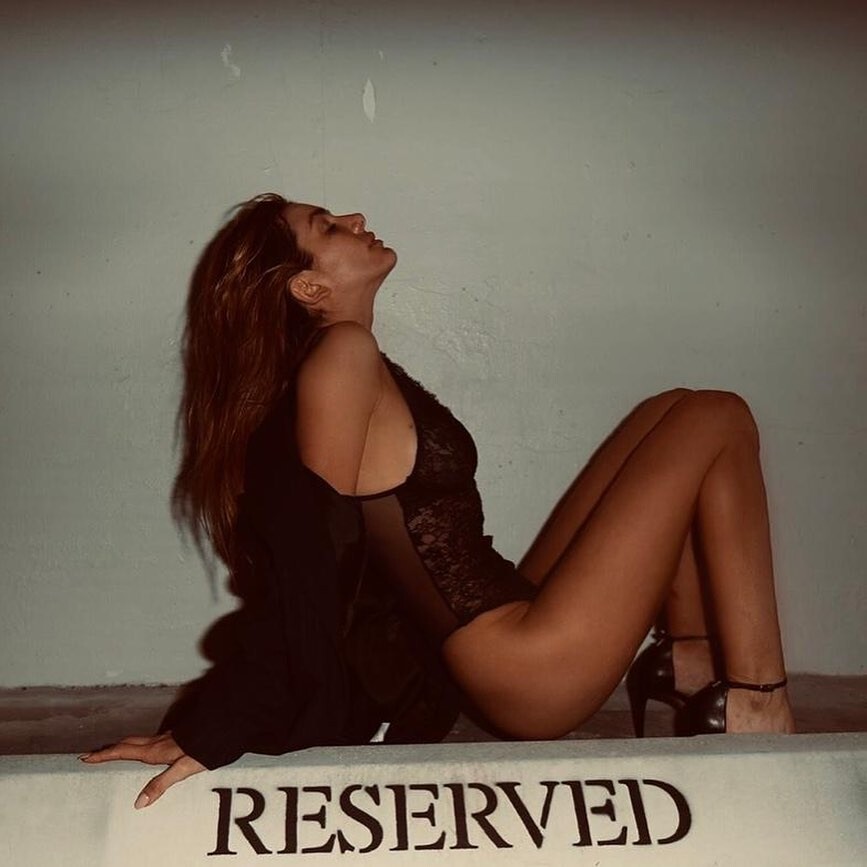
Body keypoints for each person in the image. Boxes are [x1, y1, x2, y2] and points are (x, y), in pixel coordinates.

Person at [81, 193, 795, 808]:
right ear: (308, 287)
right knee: (718, 416)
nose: (355, 217)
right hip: (523, 669)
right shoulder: (340, 356)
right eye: (327, 226)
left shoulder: (349, 356)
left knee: (671, 411)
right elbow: (313, 557)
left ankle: (689, 663)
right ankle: (759, 703)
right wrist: (218, 726)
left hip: (500, 625)